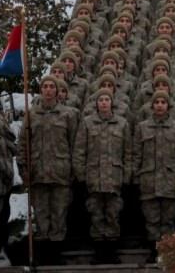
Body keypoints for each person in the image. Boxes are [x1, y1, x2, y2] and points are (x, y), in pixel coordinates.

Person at [17, 75, 80, 258]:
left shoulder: (68, 114)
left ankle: (57, 250)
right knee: (41, 213)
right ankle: (44, 251)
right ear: (40, 90)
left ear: (58, 91)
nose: (49, 90)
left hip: (61, 171)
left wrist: (74, 170)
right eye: (45, 86)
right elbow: (23, 144)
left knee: (59, 212)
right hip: (38, 172)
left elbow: (75, 144)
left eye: (52, 86)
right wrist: (24, 168)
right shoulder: (32, 115)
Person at [73, 88, 131, 264]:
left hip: (114, 177)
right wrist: (81, 175)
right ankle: (99, 252)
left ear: (111, 102)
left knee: (113, 213)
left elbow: (128, 153)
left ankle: (112, 251)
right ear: (96, 103)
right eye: (101, 100)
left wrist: (127, 176)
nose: (104, 102)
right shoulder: (87, 123)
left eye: (107, 99)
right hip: (94, 177)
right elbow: (79, 151)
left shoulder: (122, 124)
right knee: (96, 213)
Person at [133, 92, 175, 262]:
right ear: (151, 106)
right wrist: (136, 176)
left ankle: (169, 252)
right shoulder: (142, 127)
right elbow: (136, 154)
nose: (159, 105)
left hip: (170, 179)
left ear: (168, 106)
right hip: (149, 179)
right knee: (152, 219)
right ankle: (154, 251)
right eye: (156, 102)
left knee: (169, 219)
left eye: (163, 102)